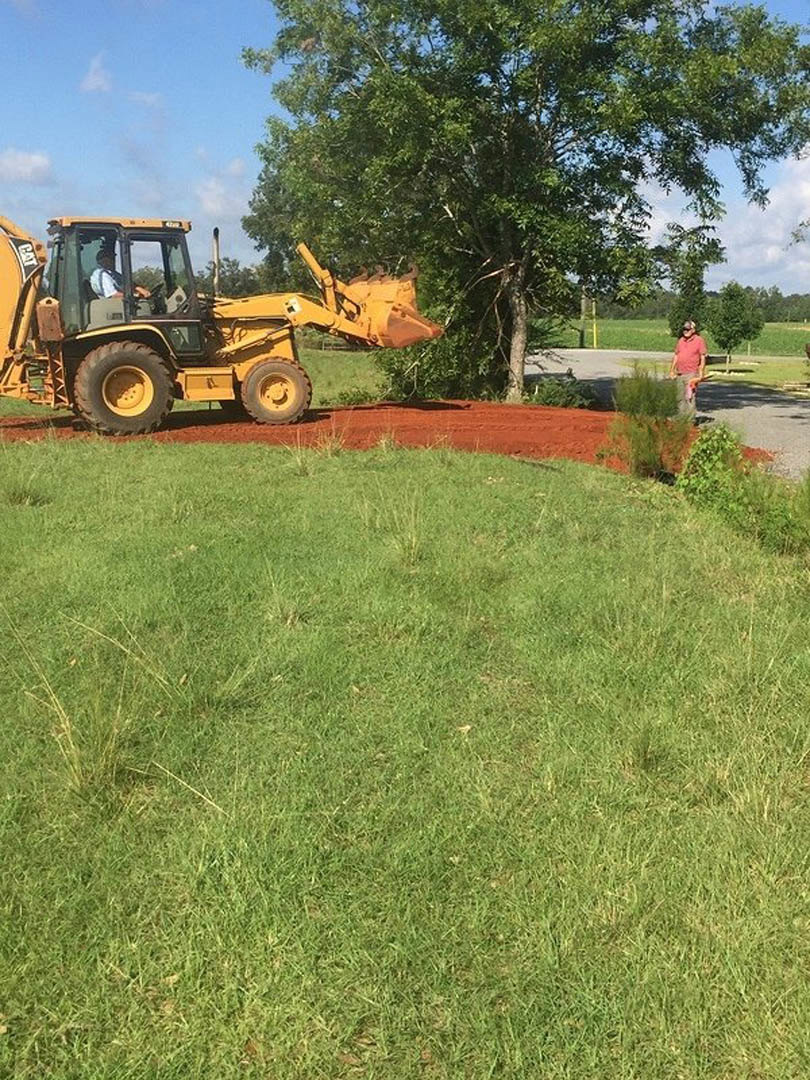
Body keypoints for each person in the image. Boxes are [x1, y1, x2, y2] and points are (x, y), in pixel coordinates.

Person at [669, 320, 707, 417]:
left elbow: (702, 357)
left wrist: (701, 372)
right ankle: (681, 418)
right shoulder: (681, 341)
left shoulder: (699, 340)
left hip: (691, 374)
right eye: (684, 329)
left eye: (688, 329)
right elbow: (676, 356)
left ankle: (690, 421)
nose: (685, 331)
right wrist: (672, 370)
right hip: (680, 373)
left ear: (693, 330)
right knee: (679, 397)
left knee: (689, 397)